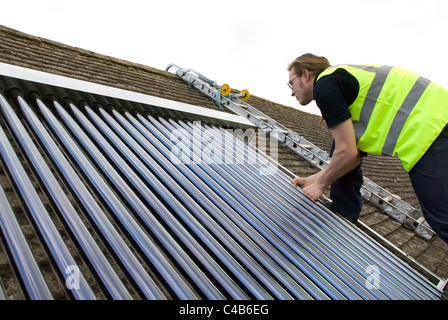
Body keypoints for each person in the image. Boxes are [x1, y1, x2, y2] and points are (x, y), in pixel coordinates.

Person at [288, 53, 448, 243]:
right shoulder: (341, 80)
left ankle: (344, 215)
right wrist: (312, 179)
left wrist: (321, 185)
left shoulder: (325, 85)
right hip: (436, 119)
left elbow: (348, 153)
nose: (291, 92)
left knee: (441, 216)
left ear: (305, 74)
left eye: (292, 83)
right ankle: (344, 214)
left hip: (431, 128)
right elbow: (347, 155)